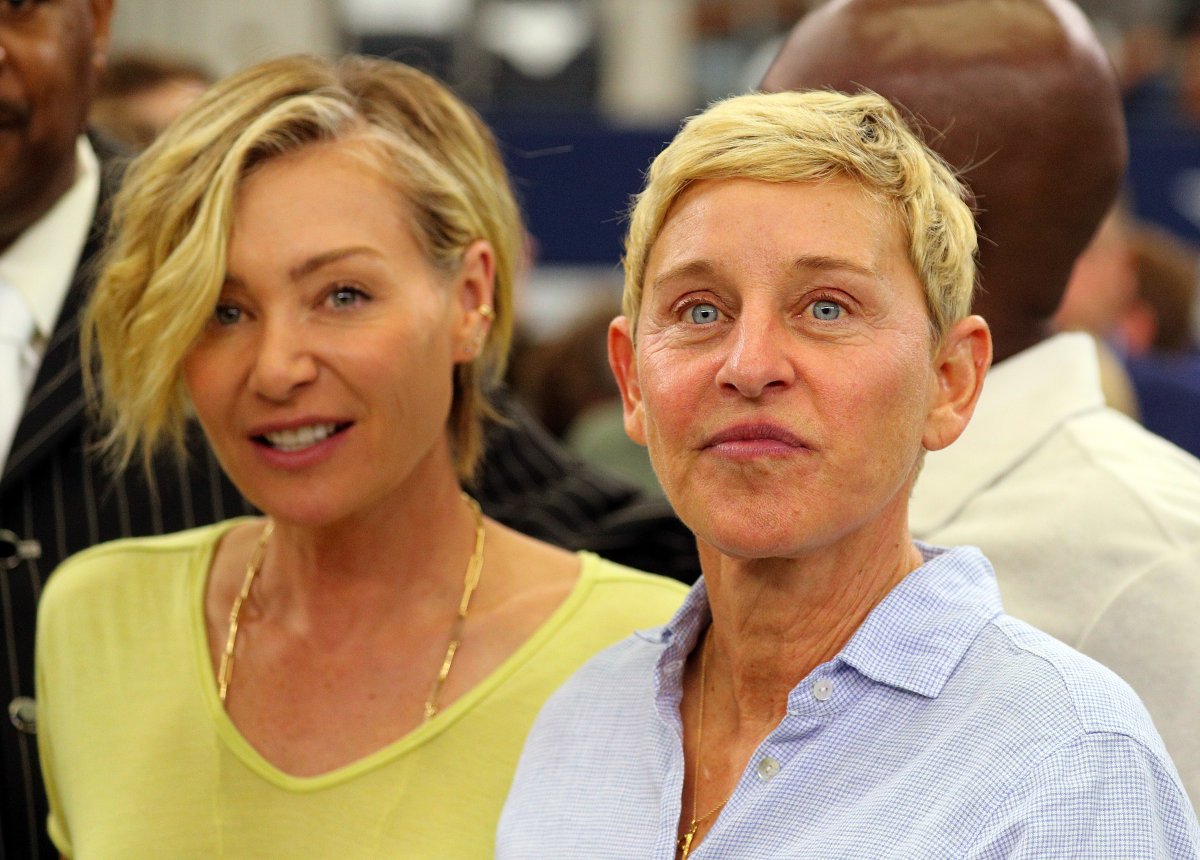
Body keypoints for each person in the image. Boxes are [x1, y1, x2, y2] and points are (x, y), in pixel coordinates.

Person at [497, 89, 1200, 858]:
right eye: (700, 311)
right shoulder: (581, 721)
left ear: (951, 380)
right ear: (632, 383)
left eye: (827, 308)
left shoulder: (1065, 767)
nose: (750, 365)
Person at [35, 53, 686, 858]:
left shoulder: (643, 654)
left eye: (343, 296)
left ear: (471, 300)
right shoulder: (96, 620)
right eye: (223, 309)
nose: (278, 367)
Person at [761, 0, 1200, 807]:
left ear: (936, 215)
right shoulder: (763, 502)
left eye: (783, 143)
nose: (724, 170)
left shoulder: (1163, 566)